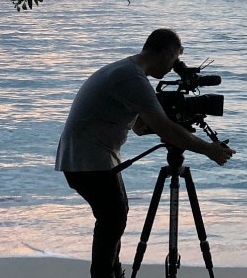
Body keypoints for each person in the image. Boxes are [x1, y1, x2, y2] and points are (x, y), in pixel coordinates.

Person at [55, 28, 236, 278]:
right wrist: (207, 149)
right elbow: (163, 129)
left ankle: (111, 272)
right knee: (113, 218)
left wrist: (175, 122)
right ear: (168, 52)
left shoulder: (126, 71)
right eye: (175, 60)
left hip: (83, 157)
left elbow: (141, 128)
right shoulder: (133, 78)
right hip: (89, 160)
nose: (174, 67)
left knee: (113, 218)